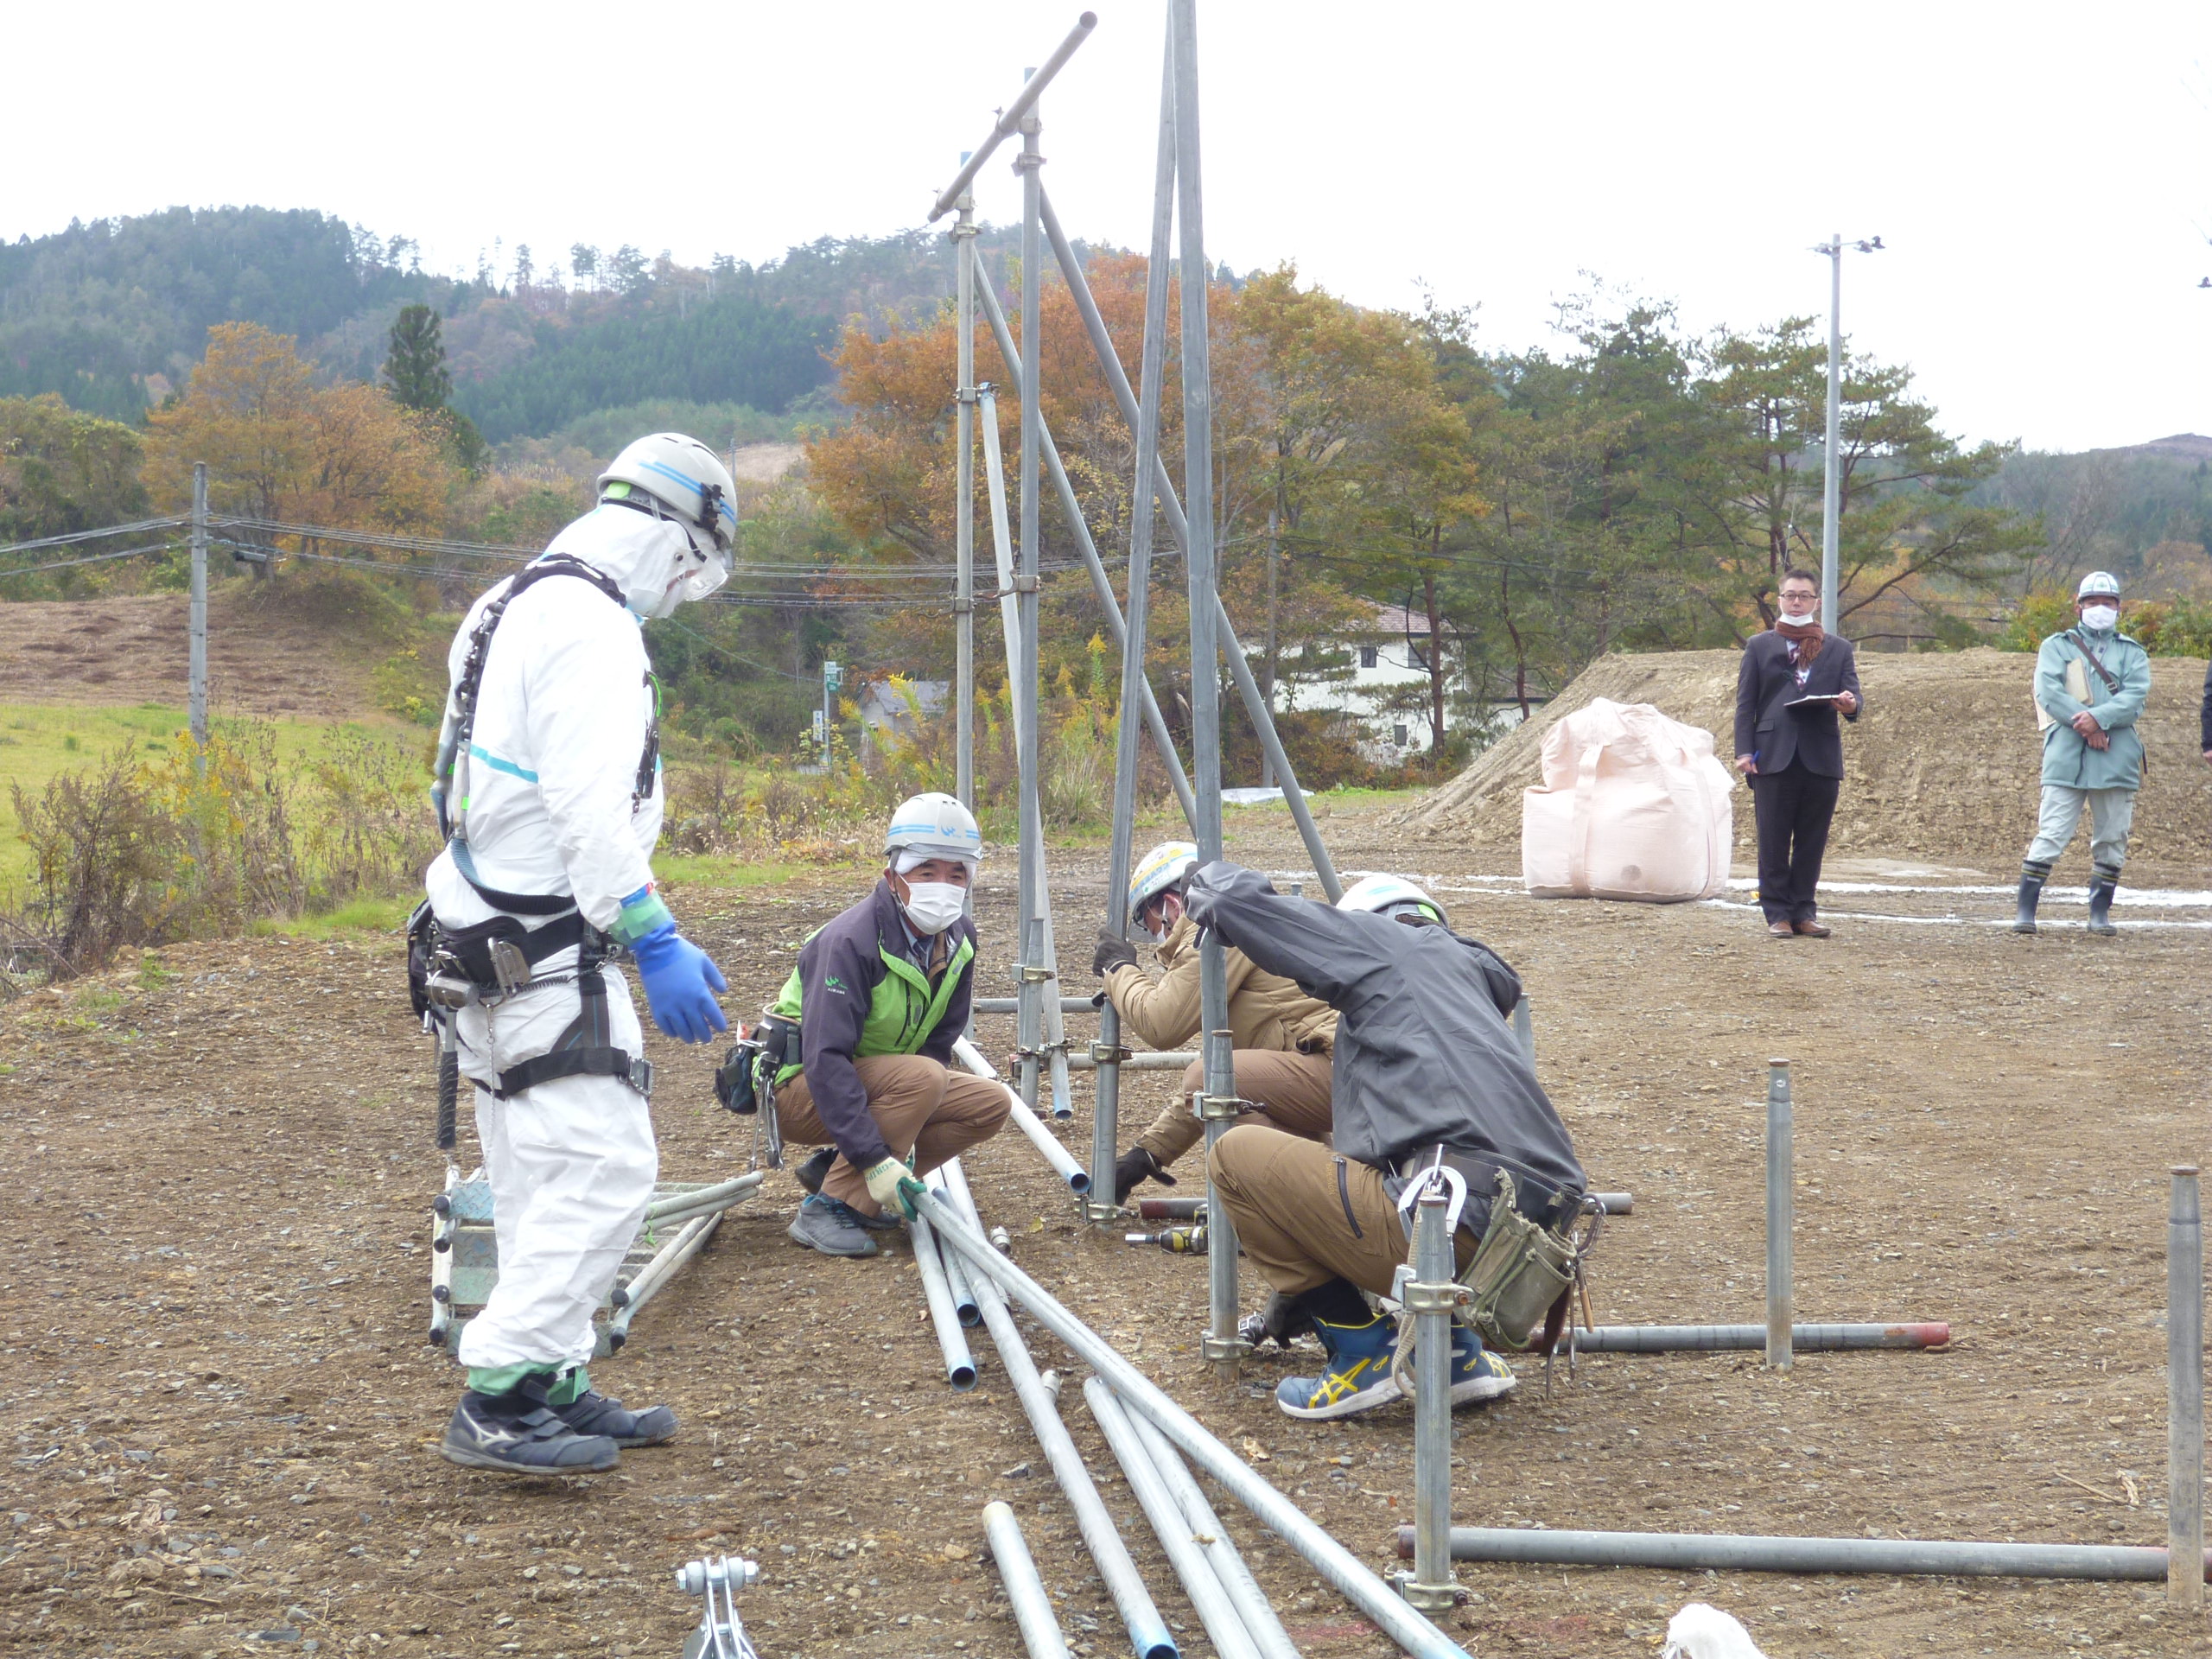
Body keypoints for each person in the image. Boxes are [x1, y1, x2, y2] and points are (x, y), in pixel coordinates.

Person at [422, 433, 735, 1475]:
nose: (680, 594)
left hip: (482, 933)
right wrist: (654, 936)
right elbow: (587, 811)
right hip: (547, 939)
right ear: (676, 543)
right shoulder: (593, 627)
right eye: (690, 574)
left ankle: (549, 1375)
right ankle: (503, 1390)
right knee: (608, 1169)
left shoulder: (509, 599)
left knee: (533, 1173)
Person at [1182, 861, 1587, 1421]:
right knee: (1394, 1180)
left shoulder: (1385, 946)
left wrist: (1201, 880)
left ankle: (1360, 1353)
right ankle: (1454, 1353)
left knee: (1235, 1152)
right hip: (1534, 1257)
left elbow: (1237, 906)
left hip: (1457, 1228)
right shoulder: (1465, 986)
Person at [773, 792, 1012, 1256]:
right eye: (927, 871)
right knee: (922, 1078)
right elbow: (824, 1059)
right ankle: (829, 1206)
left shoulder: (960, 940)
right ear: (893, 876)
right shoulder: (849, 941)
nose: (943, 884)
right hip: (799, 1086)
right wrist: (874, 1155)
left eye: (957, 872)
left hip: (873, 1085)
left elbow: (939, 1042)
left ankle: (840, 1172)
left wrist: (888, 1147)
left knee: (990, 1103)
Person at [1092, 842, 1338, 1205]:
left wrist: (1119, 970)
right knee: (1246, 1117)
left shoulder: (1217, 930)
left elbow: (1162, 1024)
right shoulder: (1238, 919)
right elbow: (1220, 1078)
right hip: (1327, 1070)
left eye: (1149, 921)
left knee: (1210, 1087)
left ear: (1171, 905)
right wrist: (1145, 1156)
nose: (1154, 934)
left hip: (1334, 1070)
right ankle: (1317, 1211)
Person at [2013, 571, 2152, 937]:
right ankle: (2026, 911)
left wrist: (2099, 719)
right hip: (2066, 755)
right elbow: (2048, 691)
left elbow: (2135, 697)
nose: (2100, 609)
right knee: (2052, 832)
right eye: (2093, 603)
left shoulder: (2132, 652)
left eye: (2108, 603)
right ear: (2079, 606)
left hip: (2116, 754)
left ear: (2119, 607)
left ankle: (2099, 913)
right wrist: (2086, 724)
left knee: (2112, 837)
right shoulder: (2056, 646)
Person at [1733, 568, 1864, 938]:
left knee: (1812, 839)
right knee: (1772, 839)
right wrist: (1744, 750)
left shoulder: (1837, 648)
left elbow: (1855, 698)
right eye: (1789, 595)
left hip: (1820, 756)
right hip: (1772, 754)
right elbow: (1745, 705)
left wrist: (1850, 704)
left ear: (1815, 601)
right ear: (1779, 600)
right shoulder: (1760, 645)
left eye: (1803, 596)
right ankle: (1776, 913)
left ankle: (1804, 911)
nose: (1796, 601)